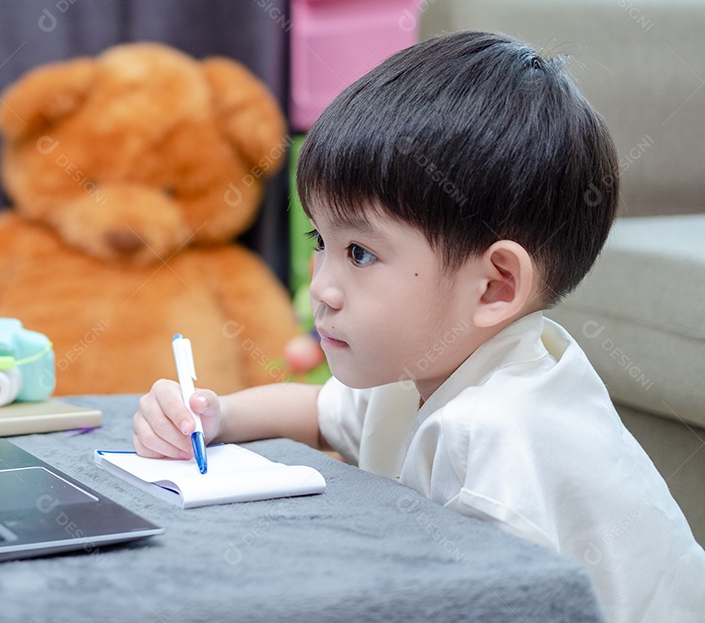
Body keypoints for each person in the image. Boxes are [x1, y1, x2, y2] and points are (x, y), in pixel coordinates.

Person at [133, 31, 705, 622]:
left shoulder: (499, 441)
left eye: (359, 253)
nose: (321, 288)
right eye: (320, 241)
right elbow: (319, 411)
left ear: (495, 287)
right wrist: (217, 417)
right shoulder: (424, 363)